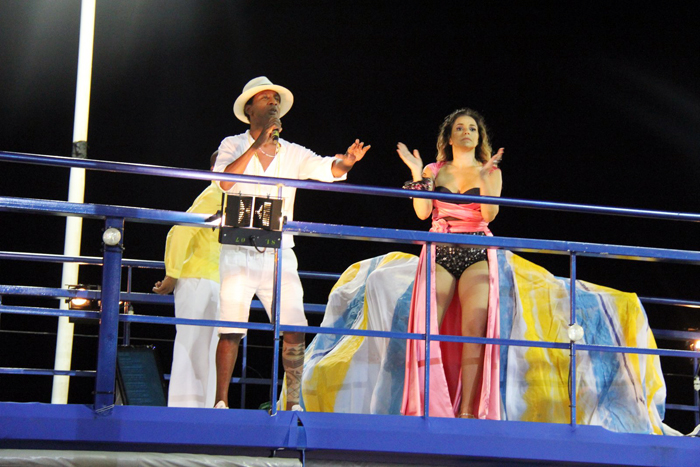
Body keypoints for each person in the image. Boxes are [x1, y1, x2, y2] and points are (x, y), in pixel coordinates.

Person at [213, 76, 370, 410]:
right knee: (230, 327)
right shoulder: (233, 143)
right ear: (249, 108)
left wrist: (346, 162)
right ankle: (221, 401)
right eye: (265, 98)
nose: (273, 103)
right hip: (238, 247)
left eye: (275, 99)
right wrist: (257, 145)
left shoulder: (294, 153)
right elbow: (224, 180)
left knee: (294, 325)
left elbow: (326, 168)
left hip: (278, 251)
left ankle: (293, 403)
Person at [397, 108, 503, 419]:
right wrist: (419, 175)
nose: (467, 131)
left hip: (476, 250)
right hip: (440, 248)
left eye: (472, 127)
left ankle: (468, 411)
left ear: (479, 136)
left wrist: (484, 180)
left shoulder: (490, 171)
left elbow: (489, 216)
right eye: (460, 128)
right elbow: (420, 212)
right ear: (450, 137)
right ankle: (430, 406)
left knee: (474, 329)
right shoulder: (434, 169)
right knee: (428, 324)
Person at [153, 151, 223, 407]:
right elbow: (180, 230)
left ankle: (206, 410)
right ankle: (183, 411)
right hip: (196, 279)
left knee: (211, 350)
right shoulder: (214, 194)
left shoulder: (231, 197)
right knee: (190, 346)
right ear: (215, 167)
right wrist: (172, 273)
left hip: (217, 281)